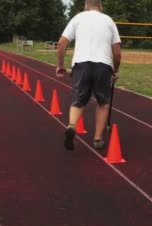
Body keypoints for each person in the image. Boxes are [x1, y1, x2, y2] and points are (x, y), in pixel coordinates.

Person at [55, 0, 122, 151]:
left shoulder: (78, 18)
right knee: (103, 103)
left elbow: (61, 44)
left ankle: (72, 126)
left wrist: (60, 65)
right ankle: (97, 139)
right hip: (103, 66)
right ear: (101, 6)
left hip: (81, 65)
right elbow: (117, 52)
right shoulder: (109, 21)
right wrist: (115, 70)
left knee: (78, 101)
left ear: (86, 5)